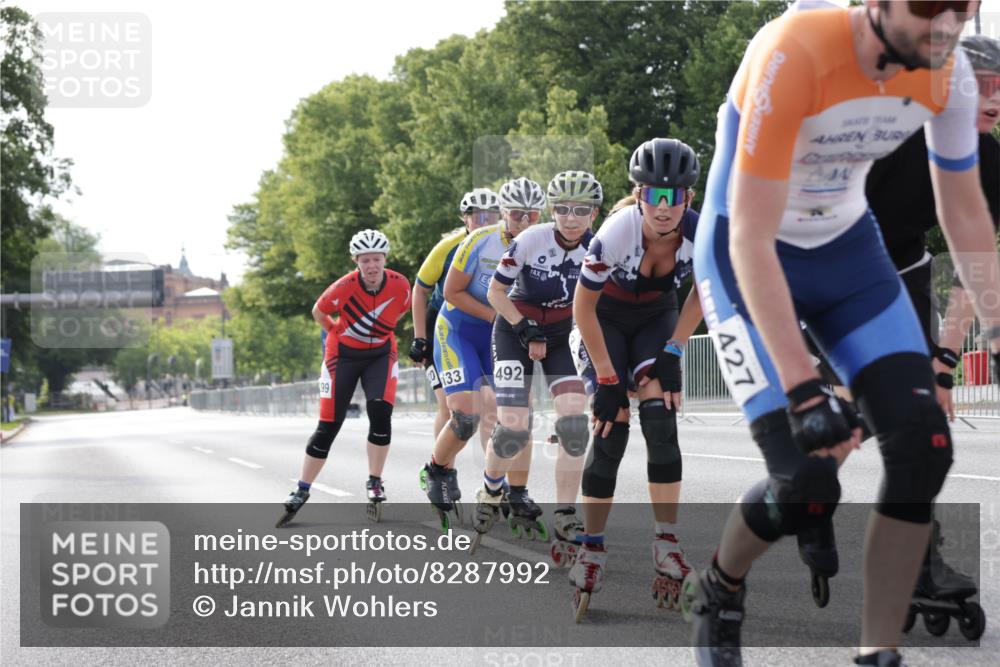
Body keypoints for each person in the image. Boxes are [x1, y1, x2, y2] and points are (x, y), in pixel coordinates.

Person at [687, 2, 1000, 666]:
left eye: (962, 10)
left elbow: (964, 211)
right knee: (805, 482)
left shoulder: (950, 74)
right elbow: (748, 233)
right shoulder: (795, 48)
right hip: (747, 250)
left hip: (847, 252)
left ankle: (876, 651)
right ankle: (721, 587)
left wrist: (996, 326)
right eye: (926, 7)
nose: (945, 26)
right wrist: (803, 386)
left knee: (924, 447)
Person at [568, 138, 705, 619]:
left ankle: (665, 541)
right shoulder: (617, 231)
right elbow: (582, 307)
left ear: (689, 198)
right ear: (638, 195)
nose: (662, 208)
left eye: (673, 197)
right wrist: (606, 380)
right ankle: (591, 547)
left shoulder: (702, 232)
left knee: (661, 421)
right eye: (652, 195)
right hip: (603, 322)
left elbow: (700, 295)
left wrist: (674, 349)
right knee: (612, 429)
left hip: (655, 321)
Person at [470, 171, 600, 563]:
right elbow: (495, 291)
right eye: (562, 209)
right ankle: (492, 488)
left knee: (575, 420)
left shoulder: (597, 248)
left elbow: (601, 310)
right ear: (551, 210)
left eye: (580, 210)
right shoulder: (531, 239)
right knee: (513, 425)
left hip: (559, 336)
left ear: (594, 214)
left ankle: (564, 511)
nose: (571, 218)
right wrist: (524, 327)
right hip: (513, 330)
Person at [420, 177, 546, 531]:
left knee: (520, 417)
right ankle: (436, 469)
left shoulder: (543, 242)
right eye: (518, 214)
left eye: (533, 215)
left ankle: (517, 492)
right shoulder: (479, 239)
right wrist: (501, 315)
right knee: (466, 416)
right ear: (504, 213)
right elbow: (451, 292)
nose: (525, 222)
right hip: (459, 330)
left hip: (502, 332)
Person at [276, 229, 411, 527]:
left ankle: (374, 481)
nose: (372, 266)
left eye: (376, 259)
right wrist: (337, 331)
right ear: (356, 262)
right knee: (328, 426)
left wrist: (375, 334)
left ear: (385, 259)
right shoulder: (344, 287)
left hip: (380, 355)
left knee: (380, 414)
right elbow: (318, 311)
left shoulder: (401, 284)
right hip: (343, 356)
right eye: (365, 261)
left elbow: (399, 312)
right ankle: (301, 490)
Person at [411, 189, 500, 441]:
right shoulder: (448, 247)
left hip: (486, 326)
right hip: (444, 327)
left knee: (491, 407)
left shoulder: (507, 241)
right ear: (465, 218)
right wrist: (419, 338)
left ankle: (493, 478)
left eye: (491, 216)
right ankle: (439, 471)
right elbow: (419, 290)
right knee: (452, 408)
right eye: (477, 216)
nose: (485, 222)